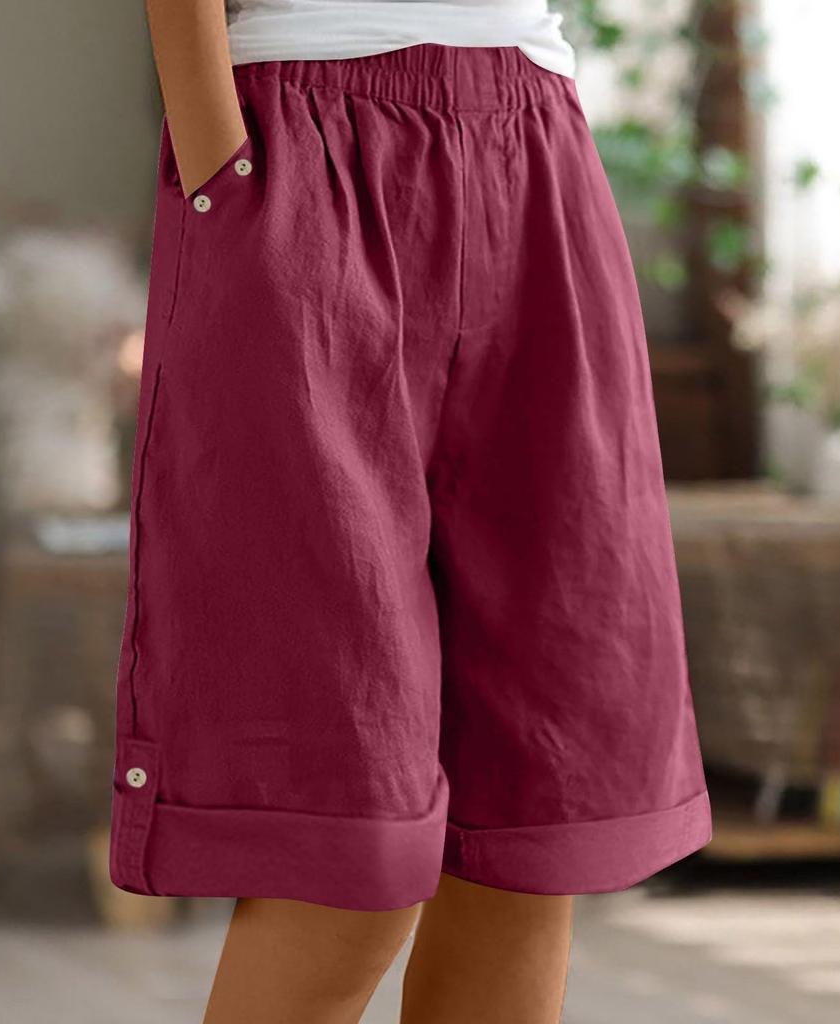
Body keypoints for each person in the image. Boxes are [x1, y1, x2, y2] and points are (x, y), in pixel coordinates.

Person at [108, 2, 713, 1021]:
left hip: (533, 136)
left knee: (530, 833)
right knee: (341, 853)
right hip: (298, 131)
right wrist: (219, 163)